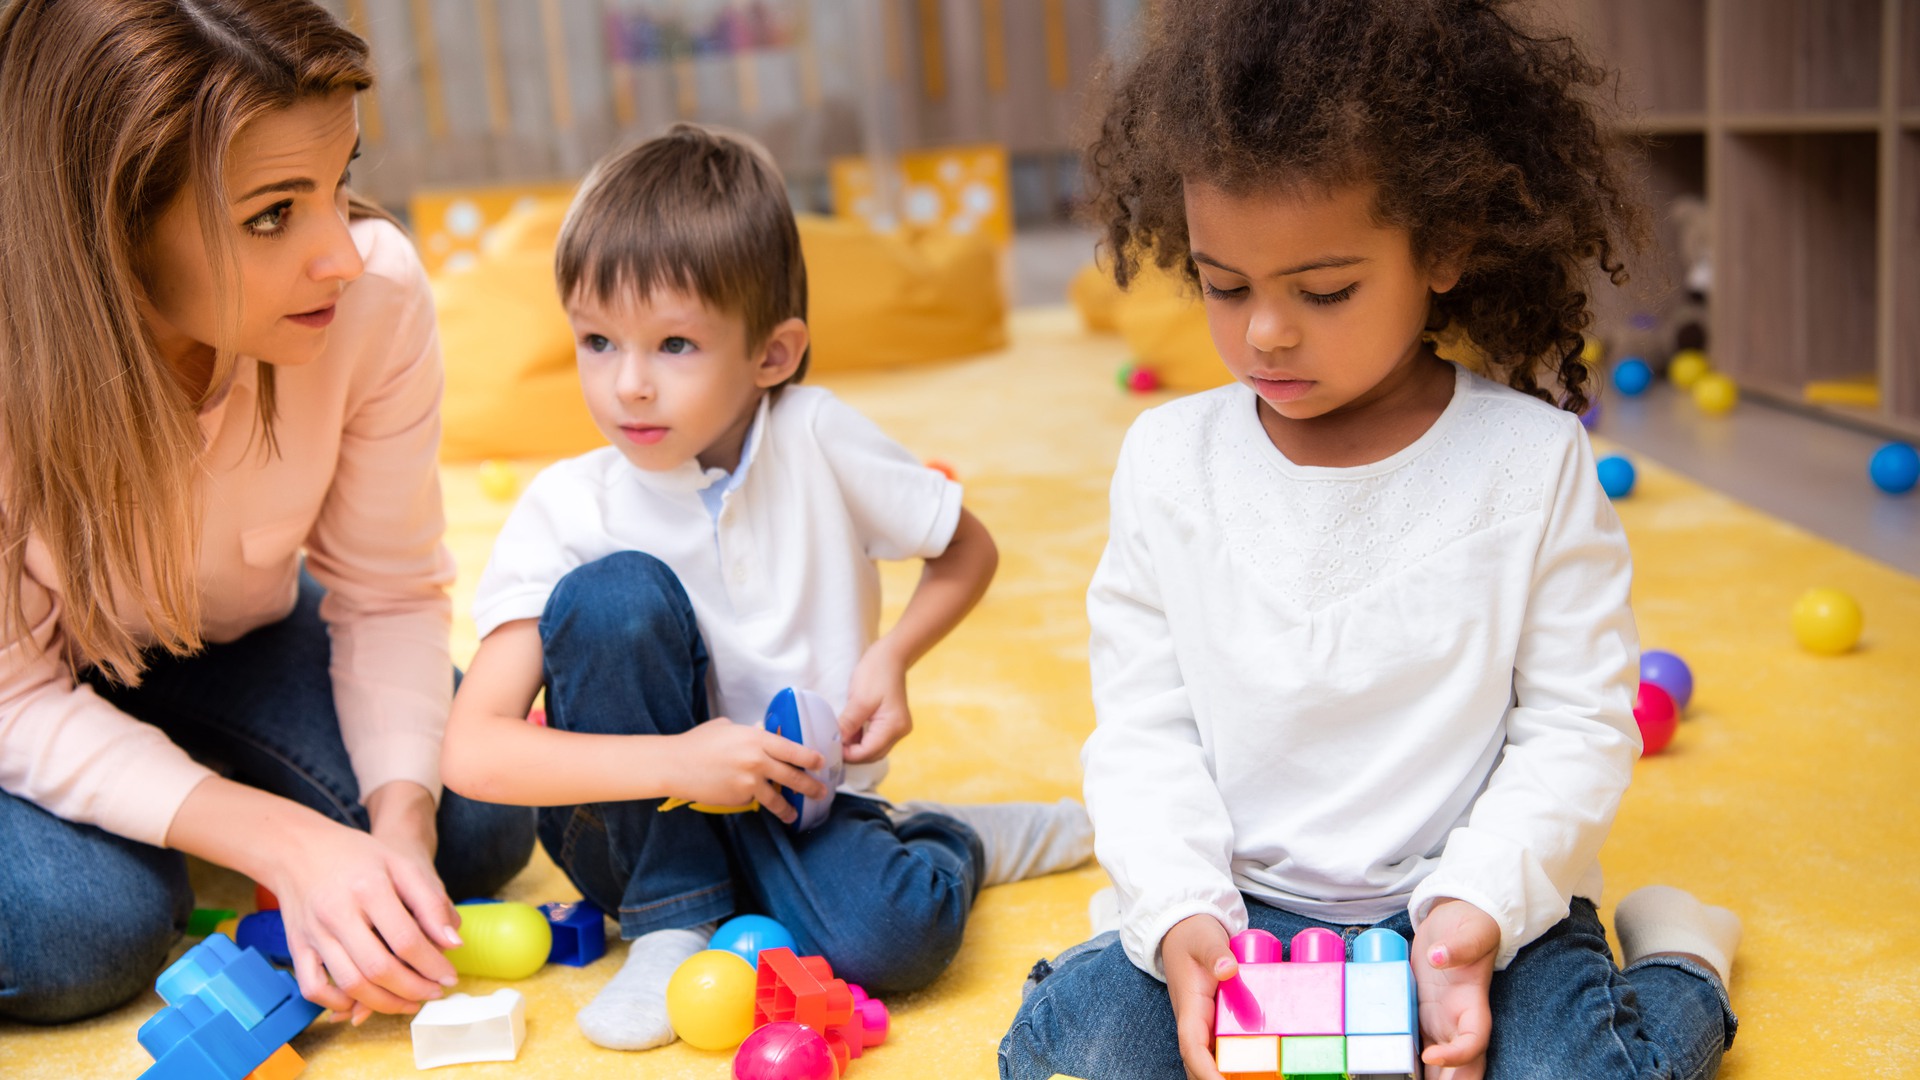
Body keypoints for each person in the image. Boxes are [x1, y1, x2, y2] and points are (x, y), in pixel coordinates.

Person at [999, 3, 1741, 1078]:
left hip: (1466, 899)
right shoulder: (1167, 461)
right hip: (1242, 896)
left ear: (1441, 246)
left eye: (1325, 289)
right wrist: (1180, 914)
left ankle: (1683, 955)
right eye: (1224, 285)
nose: (1264, 332)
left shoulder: (1531, 464)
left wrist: (1475, 911)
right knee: (1082, 1054)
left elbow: (1578, 723)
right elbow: (1143, 731)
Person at [440, 124, 1092, 1052]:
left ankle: (952, 837)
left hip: (797, 797)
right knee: (615, 594)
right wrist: (679, 765)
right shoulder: (566, 505)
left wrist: (892, 655)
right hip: (629, 824)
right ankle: (671, 925)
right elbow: (472, 753)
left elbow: (966, 548)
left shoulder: (819, 437)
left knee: (892, 939)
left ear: (772, 356)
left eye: (673, 345)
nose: (627, 385)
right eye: (596, 340)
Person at [0, 0, 534, 1028]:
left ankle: (181, 778)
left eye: (339, 185)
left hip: (223, 634)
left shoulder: (372, 300)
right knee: (88, 929)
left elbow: (386, 594)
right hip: (18, 684)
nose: (340, 252)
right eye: (273, 215)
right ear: (107, 229)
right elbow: (15, 700)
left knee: (470, 823)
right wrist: (281, 841)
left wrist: (398, 839)